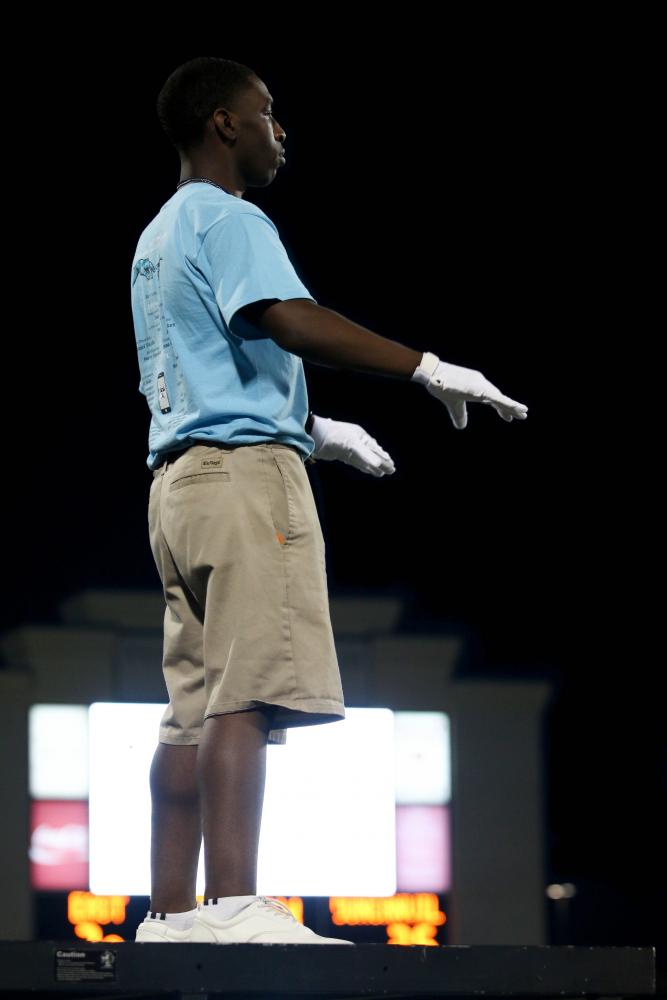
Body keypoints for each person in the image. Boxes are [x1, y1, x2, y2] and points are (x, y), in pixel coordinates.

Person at [130, 56, 528, 947]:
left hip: (177, 487)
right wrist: (421, 366)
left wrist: (310, 425)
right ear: (223, 125)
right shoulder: (231, 216)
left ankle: (168, 916)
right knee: (245, 692)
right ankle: (235, 905)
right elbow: (287, 316)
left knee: (188, 705)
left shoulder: (157, 236)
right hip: (241, 481)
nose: (279, 129)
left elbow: (200, 369)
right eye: (265, 113)